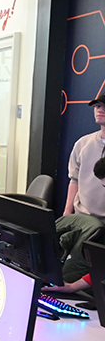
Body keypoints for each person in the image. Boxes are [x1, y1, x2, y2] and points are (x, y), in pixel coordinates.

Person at [59, 98, 105, 281]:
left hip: (102, 227)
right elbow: (74, 180)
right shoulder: (83, 144)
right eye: (98, 106)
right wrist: (67, 213)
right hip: (82, 219)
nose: (99, 109)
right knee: (66, 275)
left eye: (104, 106)